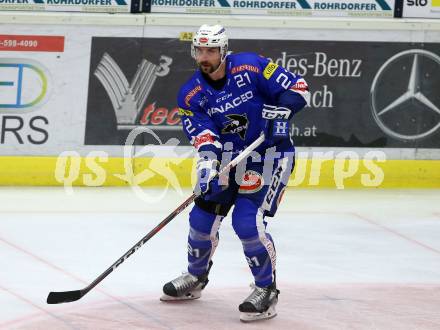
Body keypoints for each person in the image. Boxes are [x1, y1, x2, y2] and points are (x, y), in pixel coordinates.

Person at [160, 24, 310, 322]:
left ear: (223, 50)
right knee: (200, 219)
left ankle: (266, 290)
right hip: (228, 158)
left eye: (211, 50)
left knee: (247, 223)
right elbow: (203, 136)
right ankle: (195, 277)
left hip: (268, 155)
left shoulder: (251, 66)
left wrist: (282, 113)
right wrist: (207, 166)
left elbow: (299, 89)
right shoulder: (191, 95)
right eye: (200, 50)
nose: (205, 56)